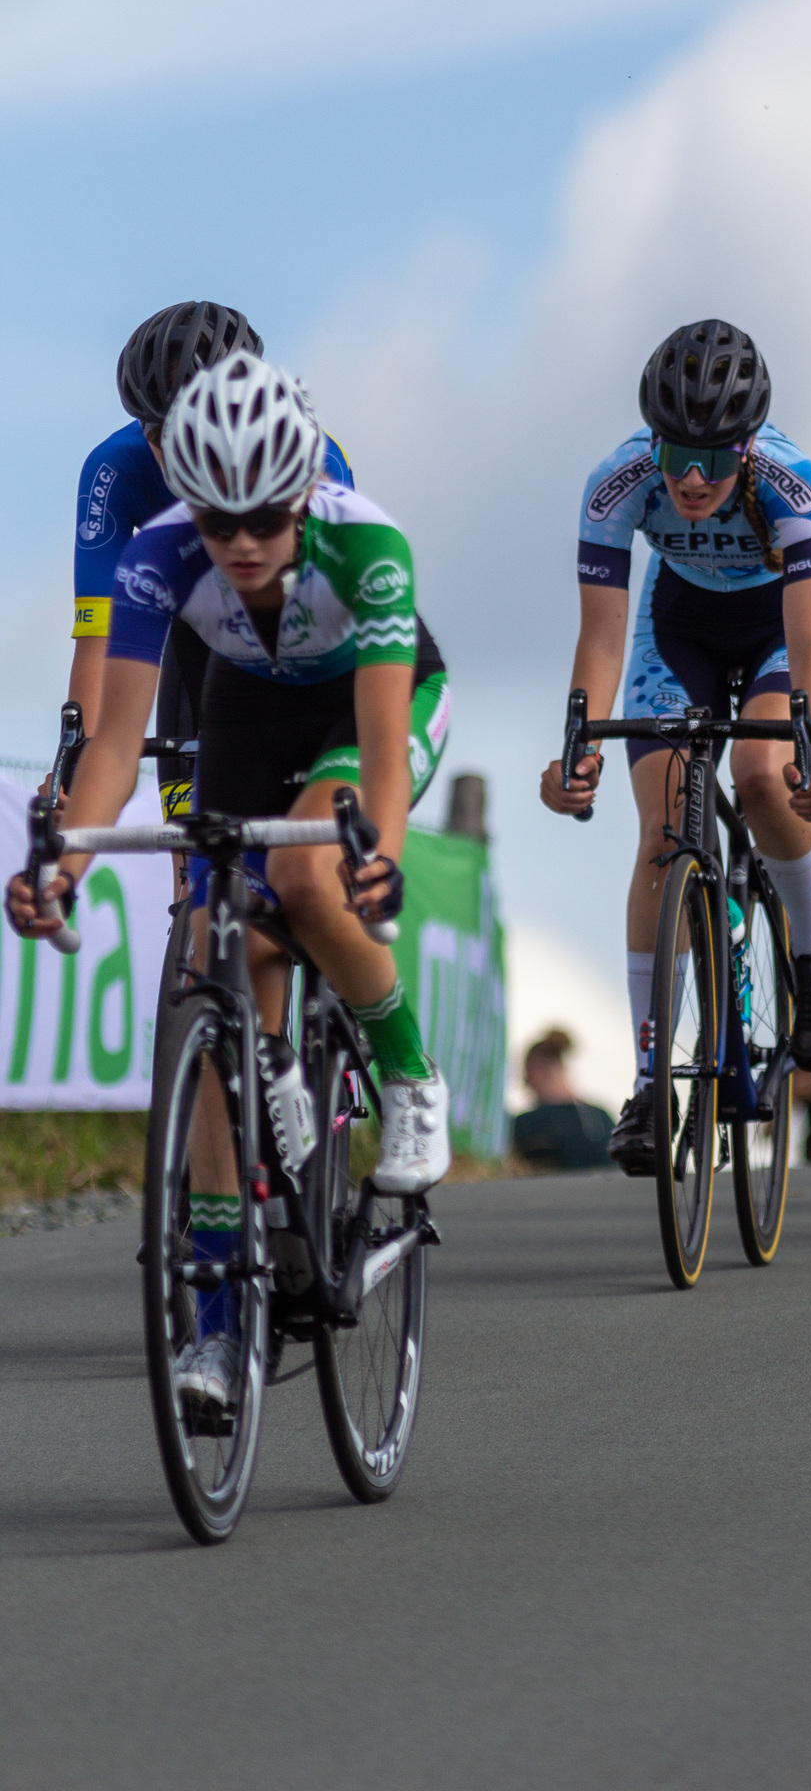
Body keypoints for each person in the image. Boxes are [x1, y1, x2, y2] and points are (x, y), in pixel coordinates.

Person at [7, 351, 451, 1420]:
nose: (241, 547)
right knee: (208, 945)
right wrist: (63, 853)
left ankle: (407, 1078)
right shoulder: (158, 555)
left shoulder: (370, 548)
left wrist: (374, 855)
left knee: (305, 877)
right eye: (218, 524)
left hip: (369, 707)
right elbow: (116, 744)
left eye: (263, 521)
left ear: (301, 496)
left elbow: (385, 755)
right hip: (245, 709)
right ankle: (216, 1325)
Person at [539, 320, 811, 1178]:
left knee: (763, 773)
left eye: (714, 460)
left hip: (782, 630)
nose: (688, 476)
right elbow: (602, 640)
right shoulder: (617, 484)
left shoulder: (794, 485)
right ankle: (651, 1083)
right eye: (675, 450)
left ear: (748, 448)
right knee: (660, 834)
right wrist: (576, 747)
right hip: (677, 631)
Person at [68, 301, 352, 820]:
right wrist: (76, 762)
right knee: (194, 864)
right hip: (197, 637)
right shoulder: (114, 470)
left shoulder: (315, 461)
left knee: (311, 852)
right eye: (161, 437)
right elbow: (100, 638)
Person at [512, 1030, 615, 1171]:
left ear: (535, 1070)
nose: (525, 1083)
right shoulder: (599, 1118)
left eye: (526, 1075)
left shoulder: (526, 1124)